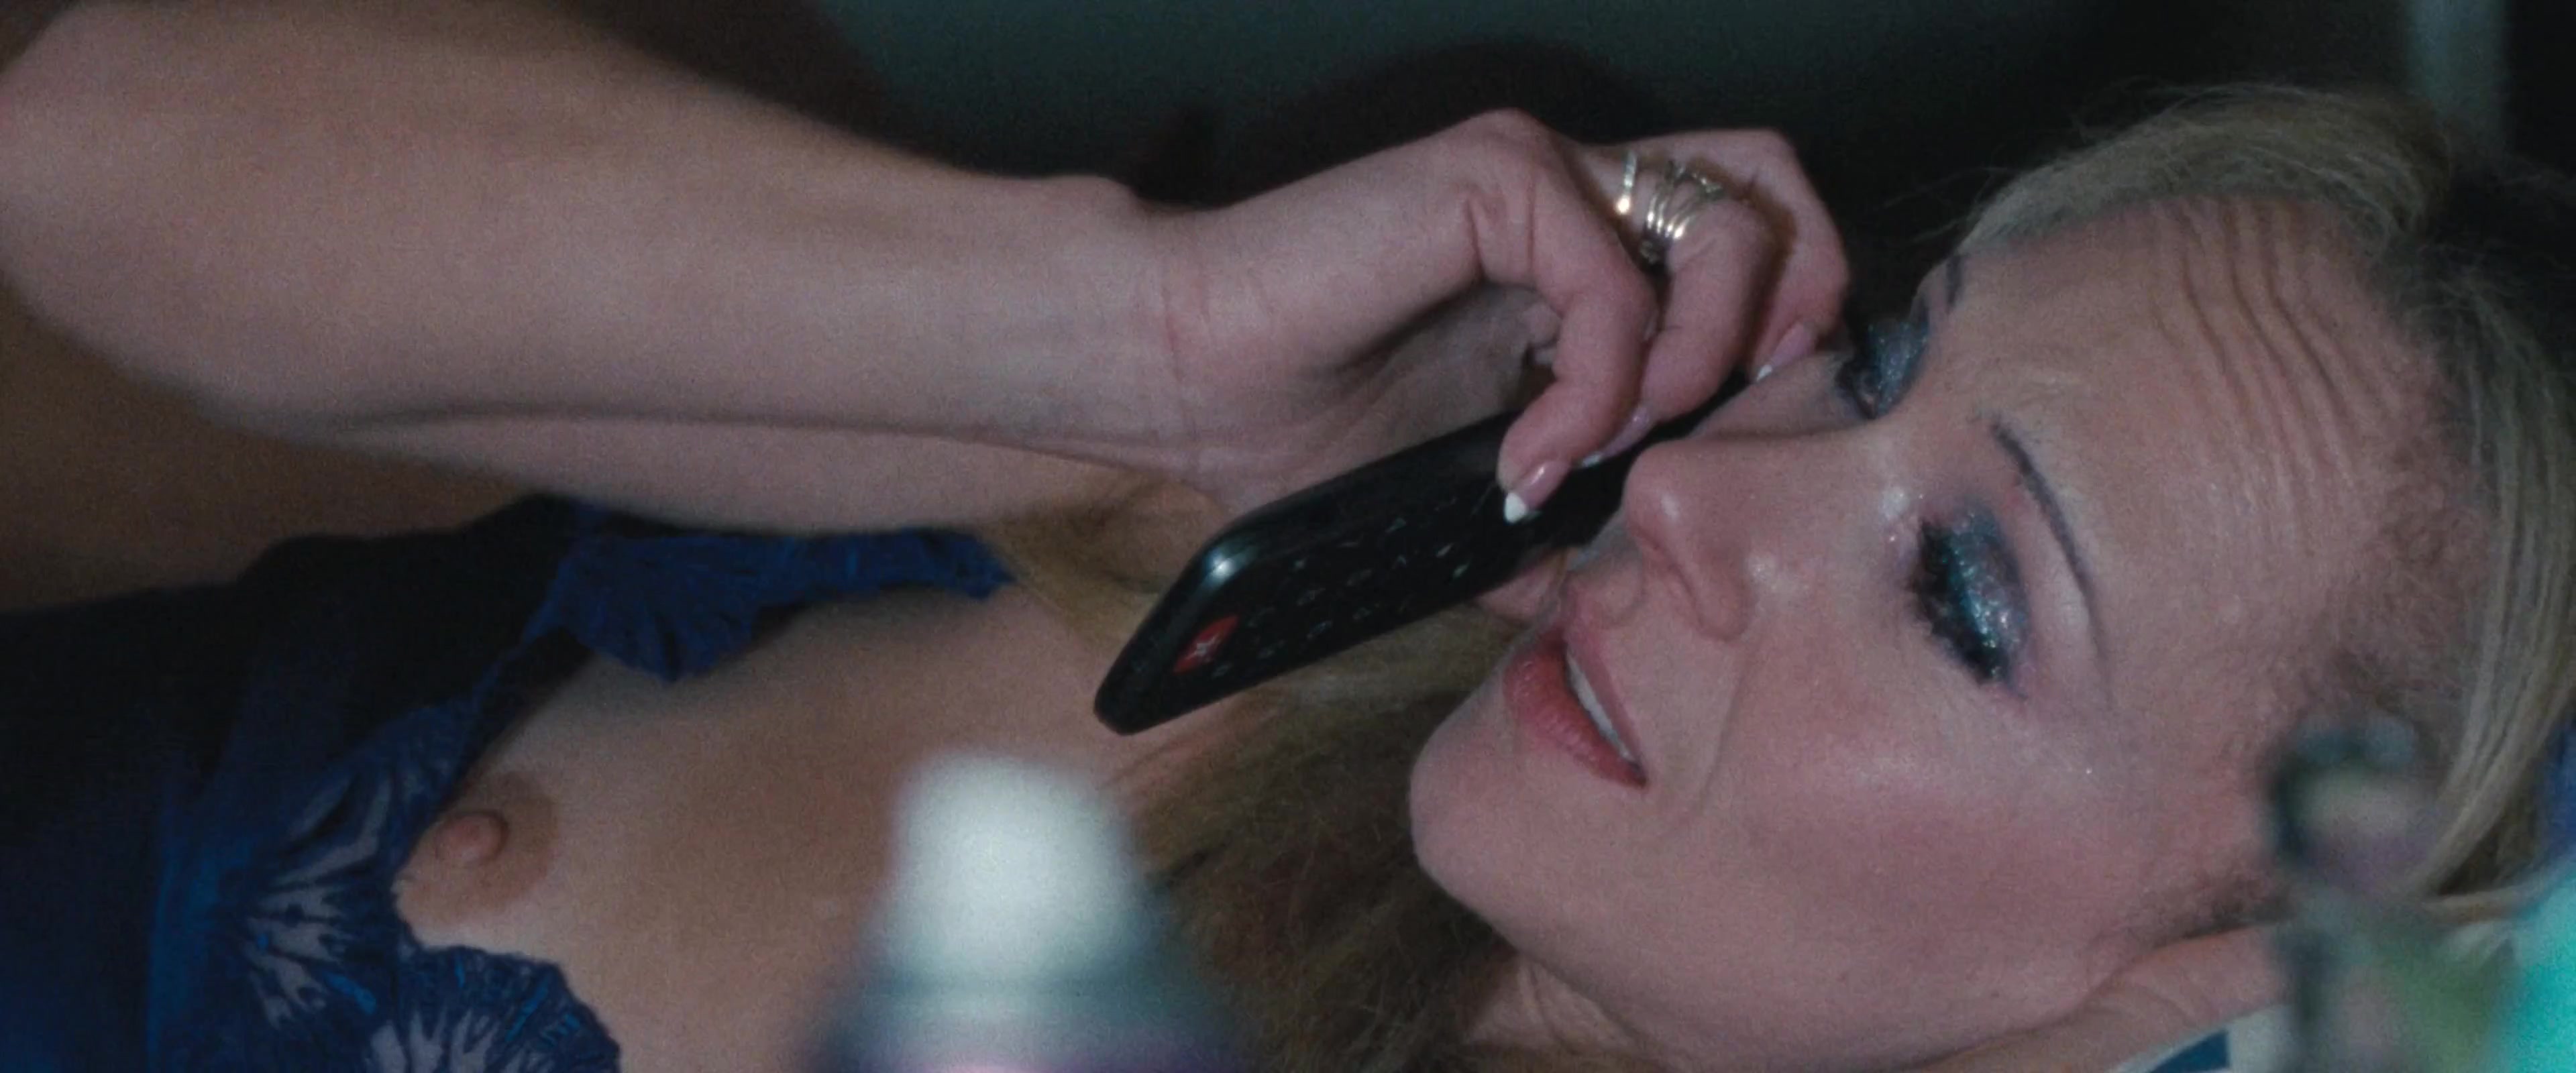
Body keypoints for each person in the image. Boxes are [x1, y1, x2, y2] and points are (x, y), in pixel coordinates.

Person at [1, 3, 2571, 1073]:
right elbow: (84, 153)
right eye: (1887, 359)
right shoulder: (1333, 535)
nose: (1697, 487)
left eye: (1966, 594)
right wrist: (1121, 336)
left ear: (2206, 981)